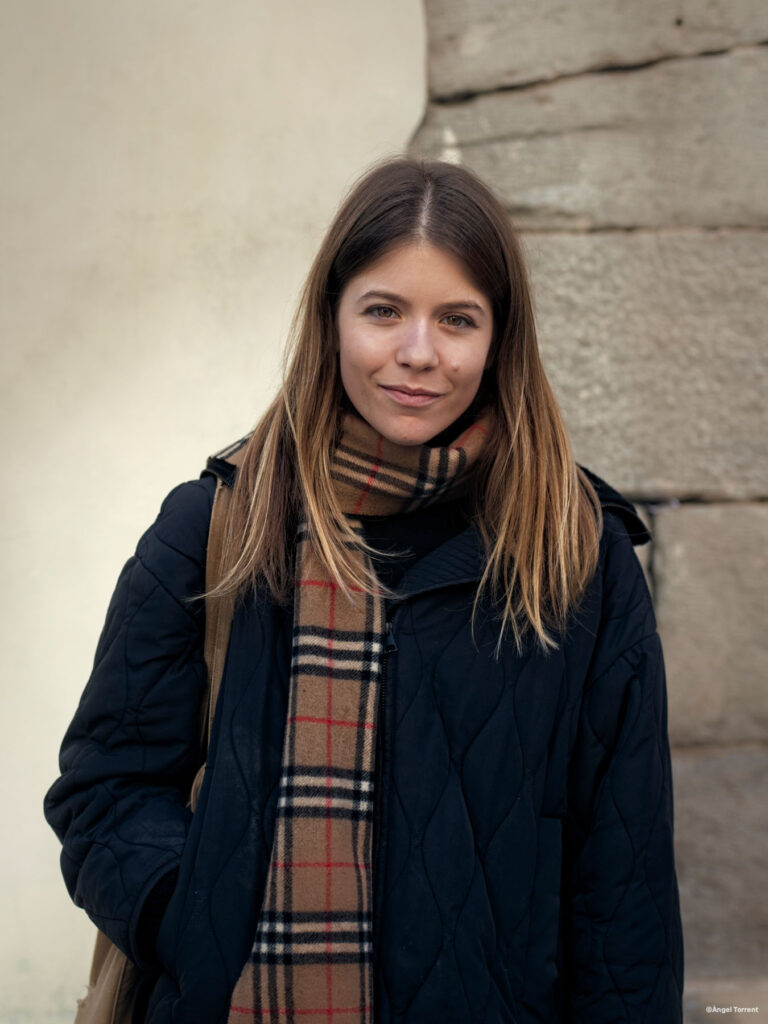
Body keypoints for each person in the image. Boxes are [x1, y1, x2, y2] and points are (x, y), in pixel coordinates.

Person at [45, 158, 684, 1024]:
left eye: (457, 319)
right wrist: (193, 920)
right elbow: (105, 788)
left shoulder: (577, 555)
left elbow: (626, 878)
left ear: (500, 338)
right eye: (383, 311)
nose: (418, 353)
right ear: (333, 318)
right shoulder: (218, 526)